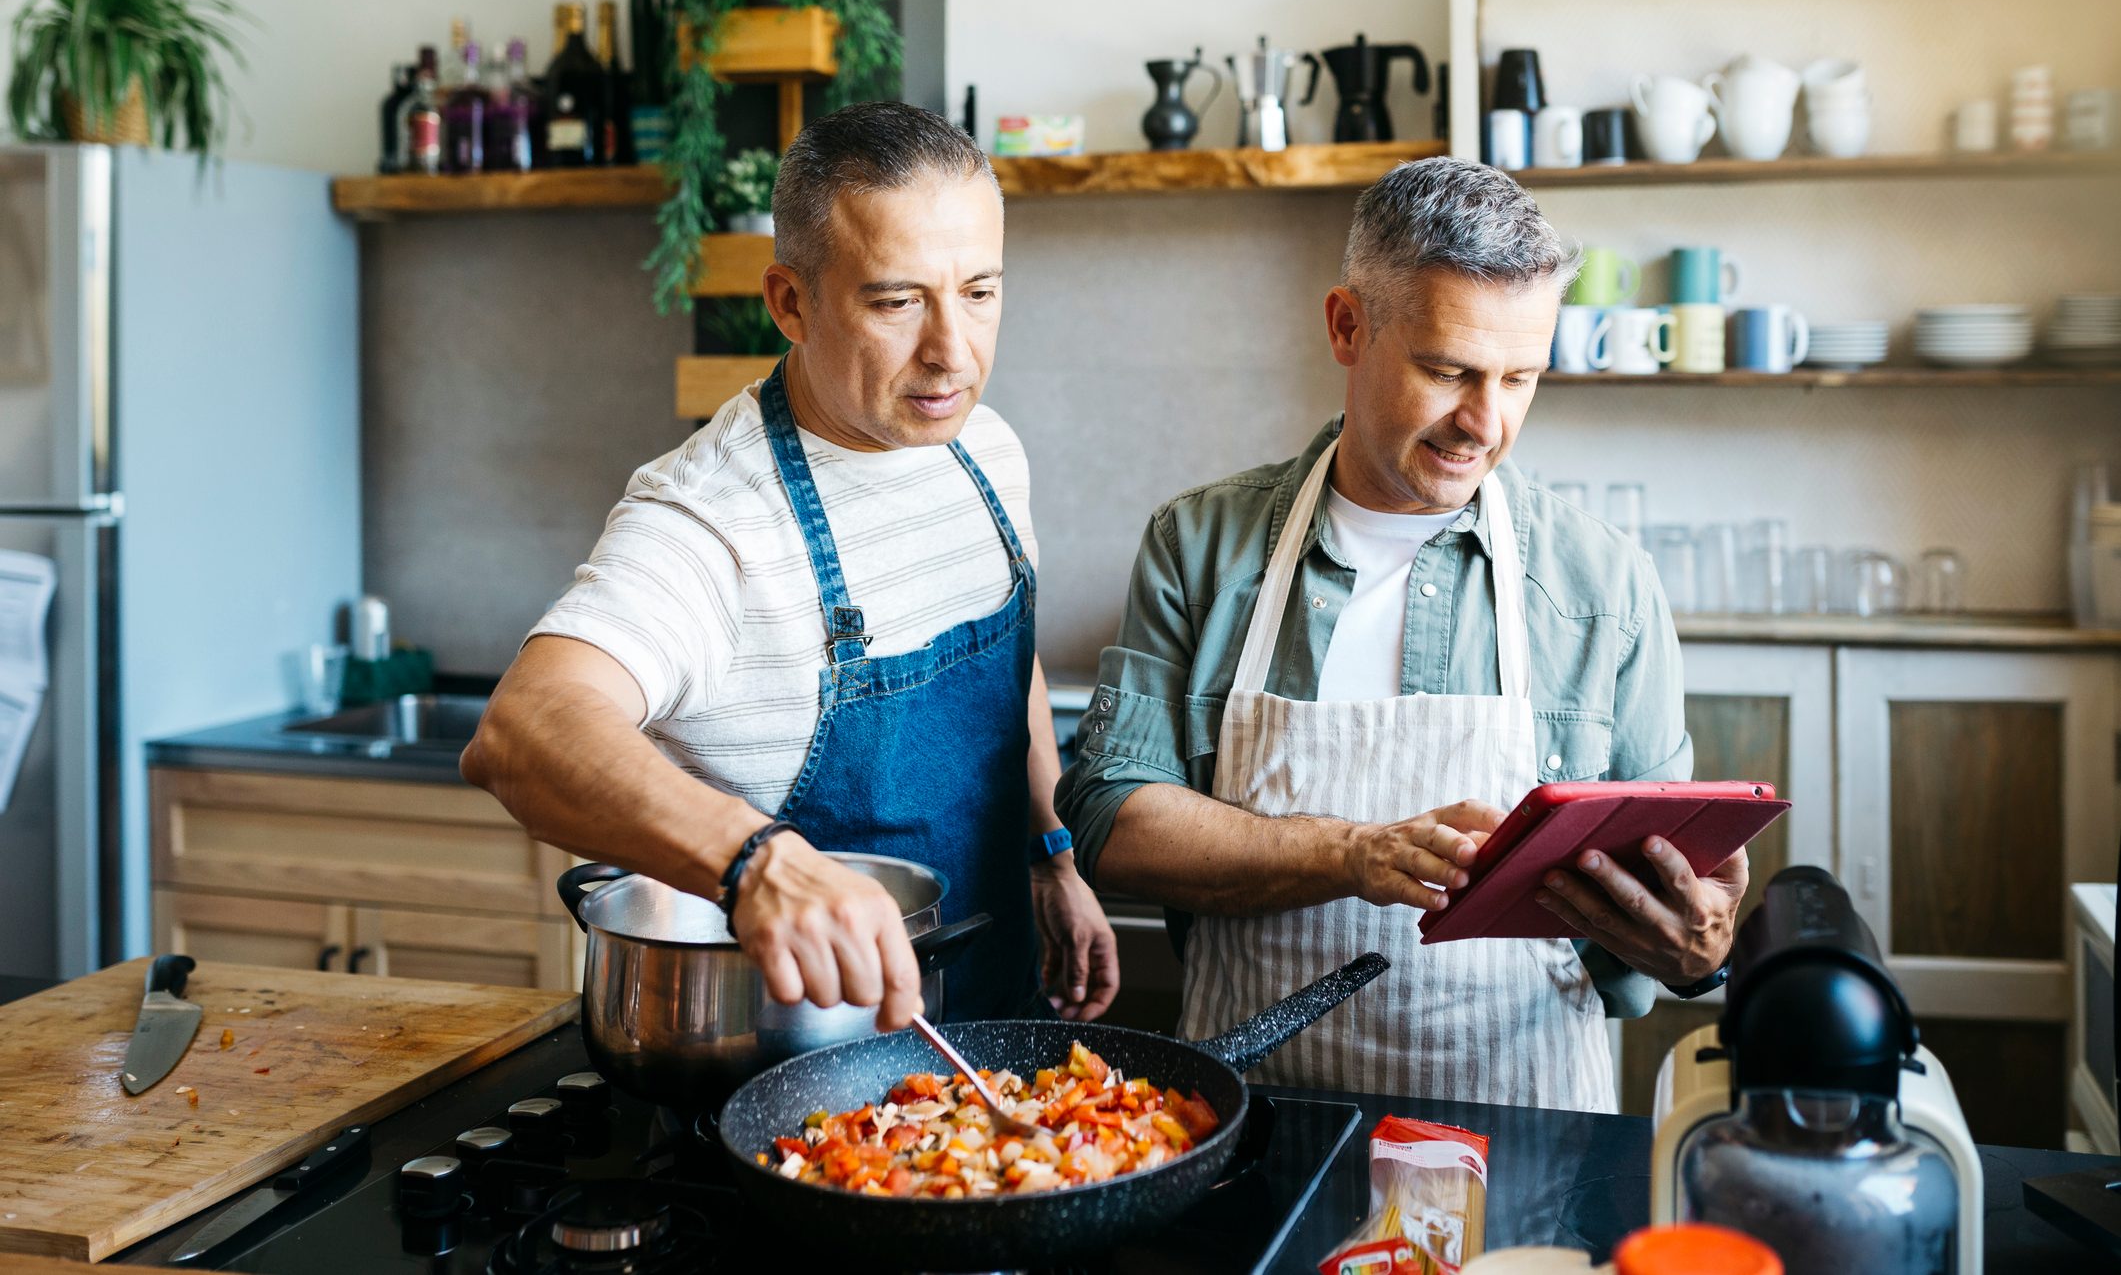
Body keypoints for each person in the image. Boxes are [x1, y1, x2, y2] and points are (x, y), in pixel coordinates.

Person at [1054, 158, 1741, 1110]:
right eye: (1447, 371)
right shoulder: (1202, 545)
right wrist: (1351, 854)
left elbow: (1670, 907)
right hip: (1258, 1120)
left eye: (1520, 377)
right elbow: (1111, 820)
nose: (1484, 423)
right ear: (1347, 326)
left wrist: (1695, 950)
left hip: (1522, 1127)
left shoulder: (1604, 584)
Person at [463, 101, 1118, 1030]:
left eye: (978, 292)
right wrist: (756, 862)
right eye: (896, 302)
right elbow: (523, 733)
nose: (952, 353)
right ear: (789, 302)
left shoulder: (986, 453)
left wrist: (1052, 854)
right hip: (791, 1087)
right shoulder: (712, 519)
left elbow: (1007, 664)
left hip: (999, 1041)